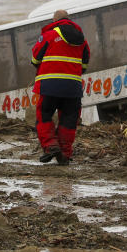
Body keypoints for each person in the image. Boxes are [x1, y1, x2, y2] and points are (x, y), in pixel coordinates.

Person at [31, 9, 90, 165]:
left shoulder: (49, 35)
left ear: (54, 21)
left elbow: (35, 59)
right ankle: (64, 153)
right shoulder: (82, 40)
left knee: (44, 114)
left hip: (49, 85)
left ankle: (51, 146)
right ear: (68, 20)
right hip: (73, 87)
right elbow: (84, 64)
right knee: (69, 120)